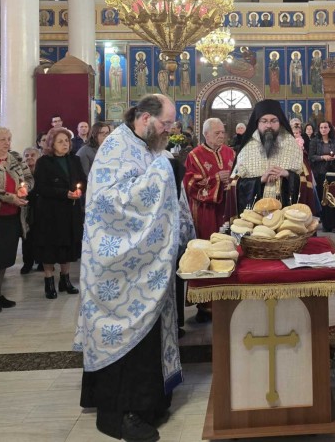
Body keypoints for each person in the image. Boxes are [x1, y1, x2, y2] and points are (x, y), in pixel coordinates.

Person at [75, 94, 194, 442]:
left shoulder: (147, 148)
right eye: (166, 124)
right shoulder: (117, 148)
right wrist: (164, 171)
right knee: (128, 339)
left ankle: (149, 403)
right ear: (144, 118)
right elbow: (110, 204)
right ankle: (123, 413)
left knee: (149, 339)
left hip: (147, 266)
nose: (170, 132)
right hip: (120, 269)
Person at [34, 127, 87, 300]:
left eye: (67, 141)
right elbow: (41, 188)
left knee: (69, 244)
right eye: (60, 141)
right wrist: (64, 193)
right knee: (50, 246)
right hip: (50, 212)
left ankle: (65, 280)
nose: (65, 144)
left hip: (70, 211)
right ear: (51, 144)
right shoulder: (44, 162)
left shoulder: (74, 159)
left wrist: (79, 191)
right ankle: (49, 281)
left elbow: (82, 181)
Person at [232, 99, 303, 210]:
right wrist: (260, 180)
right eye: (264, 121)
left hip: (286, 214)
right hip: (254, 216)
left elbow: (304, 181)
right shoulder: (247, 147)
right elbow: (236, 184)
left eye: (274, 121)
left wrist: (287, 174)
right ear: (257, 123)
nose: (269, 125)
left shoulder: (291, 144)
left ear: (280, 122)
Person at [0, 128, 32, 313]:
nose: (7, 143)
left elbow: (29, 178)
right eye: (2, 140)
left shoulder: (15, 158)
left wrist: (24, 189)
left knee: (5, 259)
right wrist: (9, 197)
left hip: (13, 217)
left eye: (9, 139)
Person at [183, 118, 235, 240]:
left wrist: (233, 180)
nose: (221, 136)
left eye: (223, 132)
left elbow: (239, 175)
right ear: (206, 134)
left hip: (227, 207)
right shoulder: (194, 155)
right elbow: (189, 184)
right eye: (217, 133)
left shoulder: (231, 152)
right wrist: (216, 179)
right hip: (205, 210)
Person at [309, 121, 335, 232]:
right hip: (320, 173)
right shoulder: (315, 141)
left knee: (333, 199)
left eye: (325, 127)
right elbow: (311, 157)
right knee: (323, 198)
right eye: (321, 127)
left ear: (329, 129)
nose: (323, 129)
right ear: (319, 129)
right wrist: (323, 157)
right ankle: (325, 224)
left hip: (334, 173)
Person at [20, 147, 40, 274]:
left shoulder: (43, 172)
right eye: (26, 155)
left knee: (42, 235)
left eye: (32, 155)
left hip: (41, 208)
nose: (29, 157)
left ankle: (42, 261)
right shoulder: (21, 173)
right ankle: (27, 262)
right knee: (26, 236)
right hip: (26, 208)